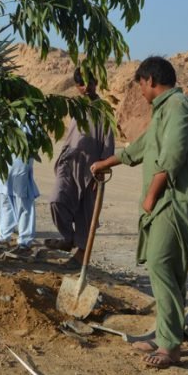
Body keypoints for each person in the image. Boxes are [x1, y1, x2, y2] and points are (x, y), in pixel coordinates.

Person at [90, 56, 188, 369]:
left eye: (141, 85)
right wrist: (106, 163)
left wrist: (151, 196)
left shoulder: (178, 107)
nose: (140, 91)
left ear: (150, 81)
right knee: (170, 272)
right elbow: (140, 148)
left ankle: (169, 346)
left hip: (173, 201)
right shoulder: (164, 110)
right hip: (165, 201)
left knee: (160, 264)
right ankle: (167, 335)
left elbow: (173, 156)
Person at [47, 68, 115, 269]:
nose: (86, 88)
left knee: (87, 215)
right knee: (56, 200)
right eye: (81, 84)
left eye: (89, 83)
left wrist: (102, 170)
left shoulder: (104, 109)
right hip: (69, 163)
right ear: (76, 86)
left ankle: (79, 258)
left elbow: (108, 141)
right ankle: (68, 238)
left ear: (95, 83)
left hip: (92, 169)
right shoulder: (76, 106)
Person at [0, 130, 40, 255]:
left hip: (21, 163)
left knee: (23, 202)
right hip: (4, 163)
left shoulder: (29, 120)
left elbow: (33, 139)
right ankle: (4, 234)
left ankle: (25, 240)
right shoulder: (1, 120)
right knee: (5, 200)